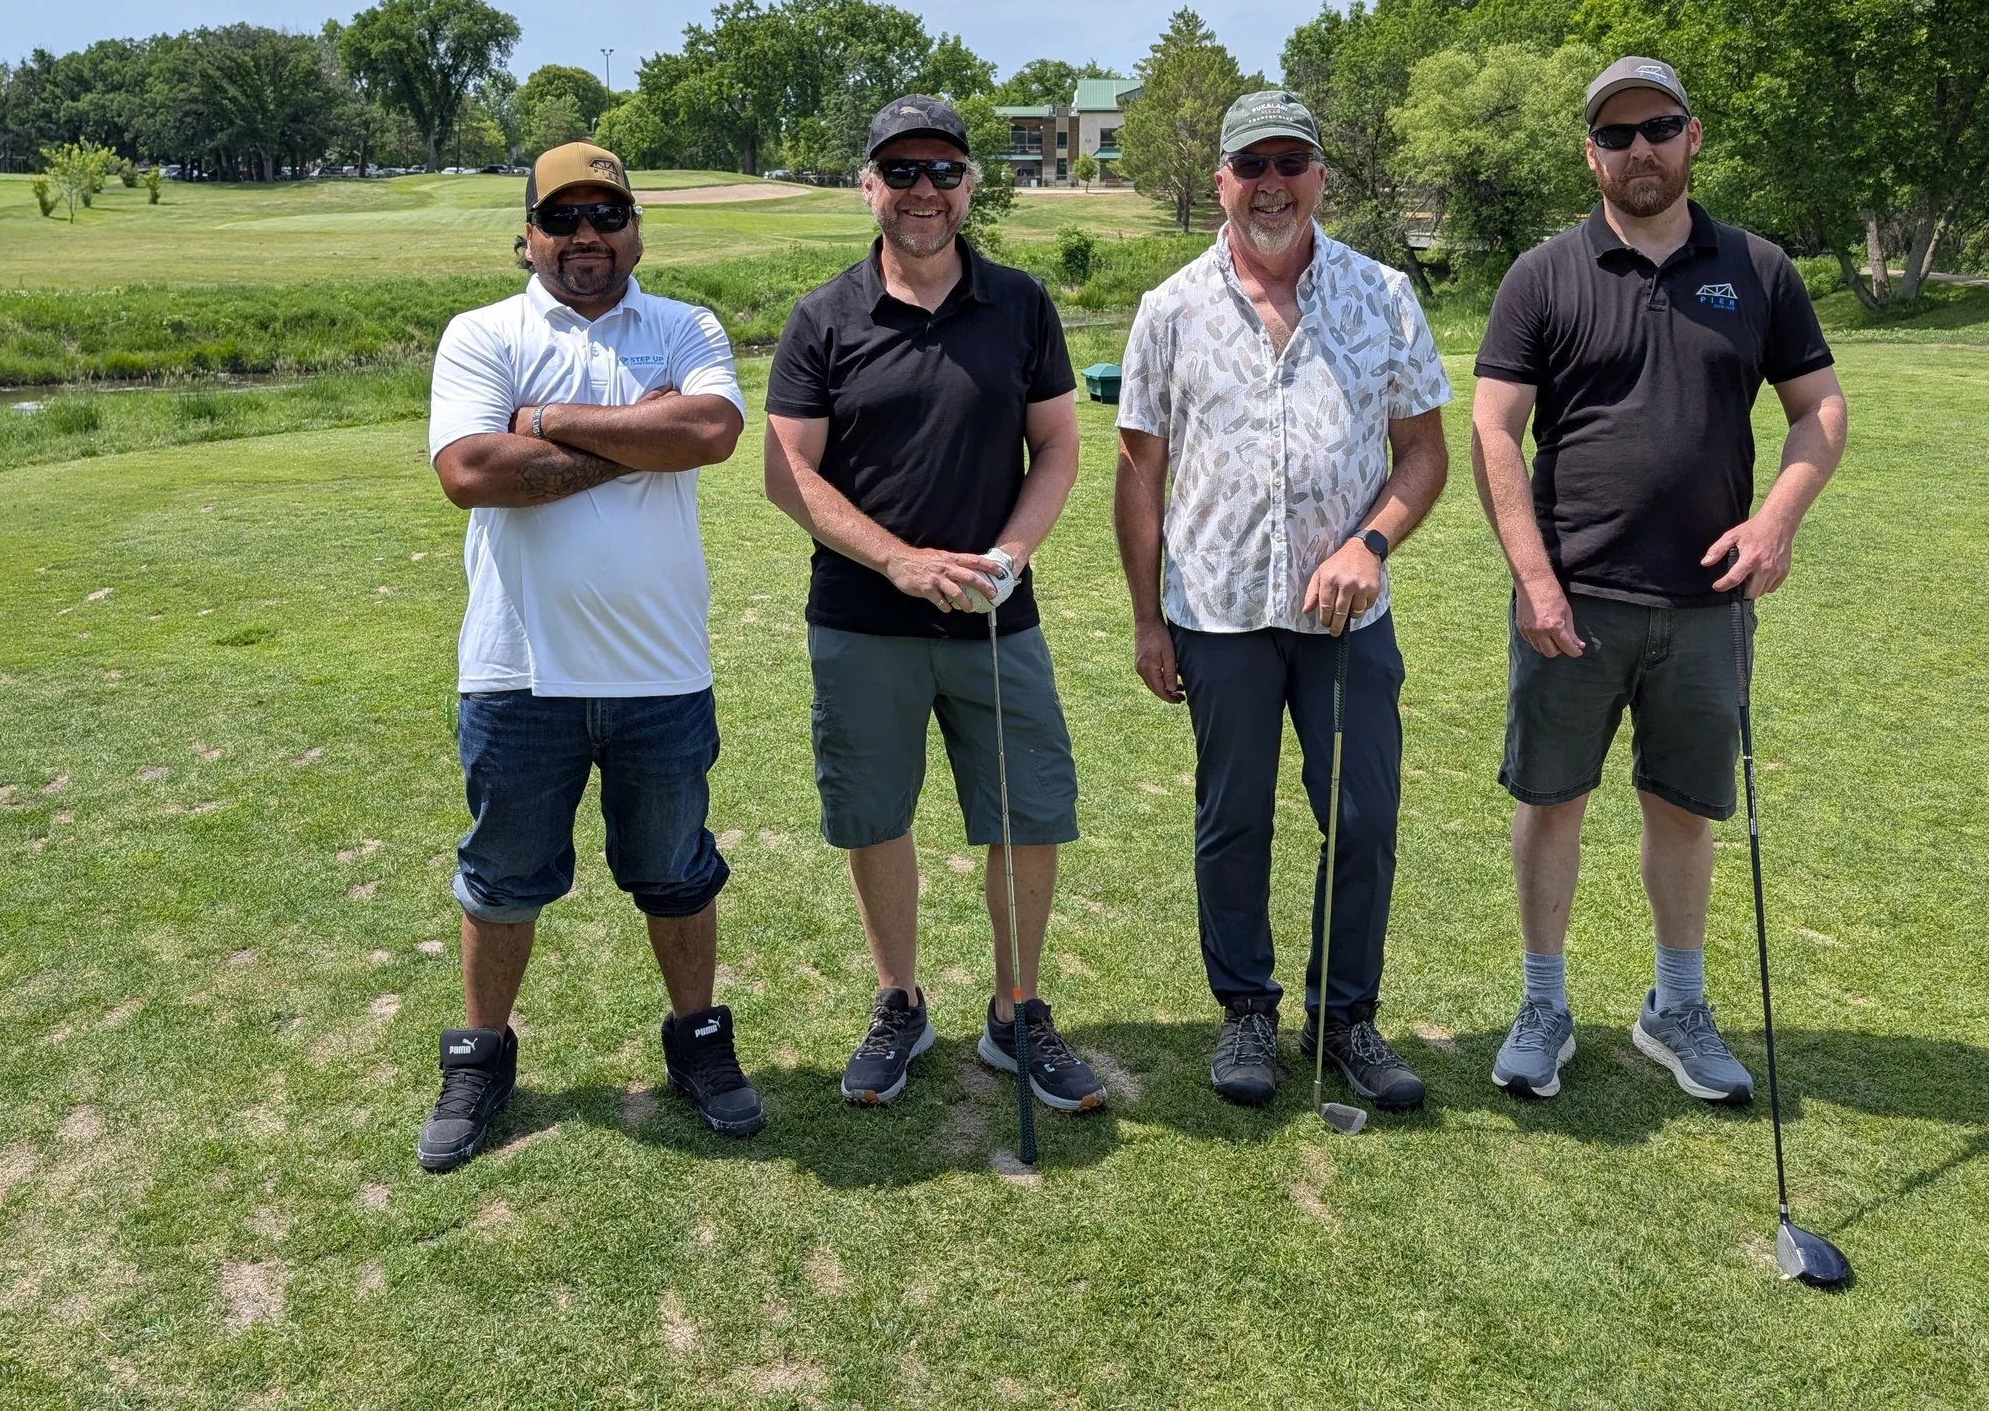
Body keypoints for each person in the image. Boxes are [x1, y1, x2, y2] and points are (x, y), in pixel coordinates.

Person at [1471, 56, 1847, 1105]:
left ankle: (1673, 1005)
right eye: (1616, 134)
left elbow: (1818, 410)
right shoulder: (1542, 274)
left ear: (1691, 138)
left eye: (1658, 127)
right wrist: (1532, 575)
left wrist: (1777, 519)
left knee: (1681, 805)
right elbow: (1495, 432)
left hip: (1706, 604)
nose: (1638, 149)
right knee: (1552, 801)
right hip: (1572, 599)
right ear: (1590, 152)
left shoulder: (1758, 269)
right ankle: (1544, 1003)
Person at [418, 142, 763, 1171]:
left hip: (660, 668)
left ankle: (699, 1043)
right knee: (503, 876)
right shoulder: (483, 333)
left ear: (636, 229)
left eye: (606, 216)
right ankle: (482, 1055)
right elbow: (472, 467)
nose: (585, 237)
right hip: (517, 671)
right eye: (561, 218)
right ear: (525, 234)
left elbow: (707, 430)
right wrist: (634, 435)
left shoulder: (684, 325)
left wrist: (553, 423)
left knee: (675, 870)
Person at [763, 94, 1105, 1114]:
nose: (922, 192)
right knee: (875, 815)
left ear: (969, 185)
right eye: (899, 172)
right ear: (867, 185)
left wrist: (1009, 553)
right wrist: (902, 561)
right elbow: (790, 475)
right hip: (864, 619)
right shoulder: (823, 318)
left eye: (942, 172)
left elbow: (1056, 447)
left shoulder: (1020, 304)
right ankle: (898, 1000)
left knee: (1027, 811)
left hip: (997, 614)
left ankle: (1015, 1009)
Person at [1114, 90, 1452, 1112]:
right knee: (1233, 820)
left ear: (1319, 177)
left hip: (1345, 618)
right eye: (1249, 163)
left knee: (1361, 815)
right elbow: (1138, 475)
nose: (1270, 182)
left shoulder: (1381, 294)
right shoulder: (1169, 308)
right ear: (1218, 179)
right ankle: (1247, 1014)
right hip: (1215, 612)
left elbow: (1425, 455)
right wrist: (1144, 617)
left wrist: (1370, 541)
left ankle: (1346, 1015)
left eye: (1290, 162)